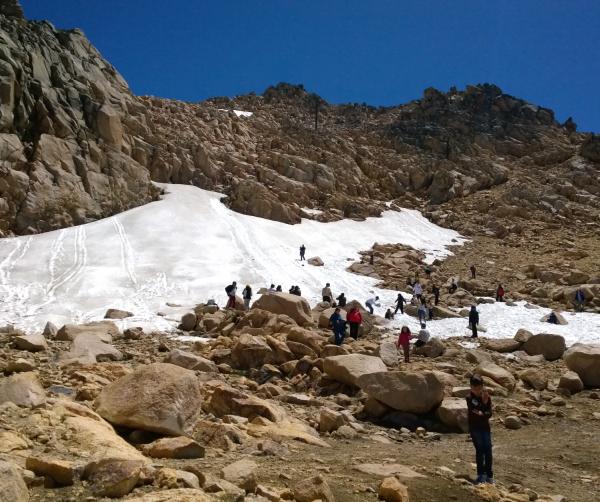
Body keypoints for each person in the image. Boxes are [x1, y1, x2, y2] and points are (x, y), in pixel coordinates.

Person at [466, 374, 494, 485]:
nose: (477, 391)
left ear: (482, 386)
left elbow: (489, 413)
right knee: (480, 450)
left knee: (488, 450)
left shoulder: (487, 397)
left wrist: (483, 409)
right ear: (471, 387)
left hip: (485, 428)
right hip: (475, 428)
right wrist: (484, 406)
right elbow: (475, 411)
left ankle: (489, 475)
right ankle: (481, 474)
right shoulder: (469, 398)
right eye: (475, 388)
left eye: (479, 388)